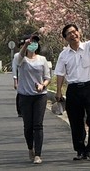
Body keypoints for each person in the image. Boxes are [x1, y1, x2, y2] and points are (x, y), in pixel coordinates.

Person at [54, 20, 90, 161]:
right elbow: (60, 73)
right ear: (65, 38)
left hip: (89, 87)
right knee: (76, 121)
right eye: (69, 33)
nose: (73, 35)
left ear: (79, 33)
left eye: (75, 32)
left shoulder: (88, 47)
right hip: (73, 89)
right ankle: (80, 150)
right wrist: (58, 91)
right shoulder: (64, 55)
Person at [17, 34, 51, 164]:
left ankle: (38, 154)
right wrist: (25, 45)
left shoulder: (42, 59)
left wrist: (43, 85)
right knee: (28, 126)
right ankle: (30, 148)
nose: (33, 44)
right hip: (25, 96)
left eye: (35, 42)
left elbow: (47, 77)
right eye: (32, 42)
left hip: (40, 96)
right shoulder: (21, 59)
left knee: (38, 125)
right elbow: (19, 58)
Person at [12, 38, 26, 117]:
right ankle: (20, 111)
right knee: (20, 94)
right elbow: (14, 68)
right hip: (20, 77)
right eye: (21, 47)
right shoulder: (17, 56)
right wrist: (15, 80)